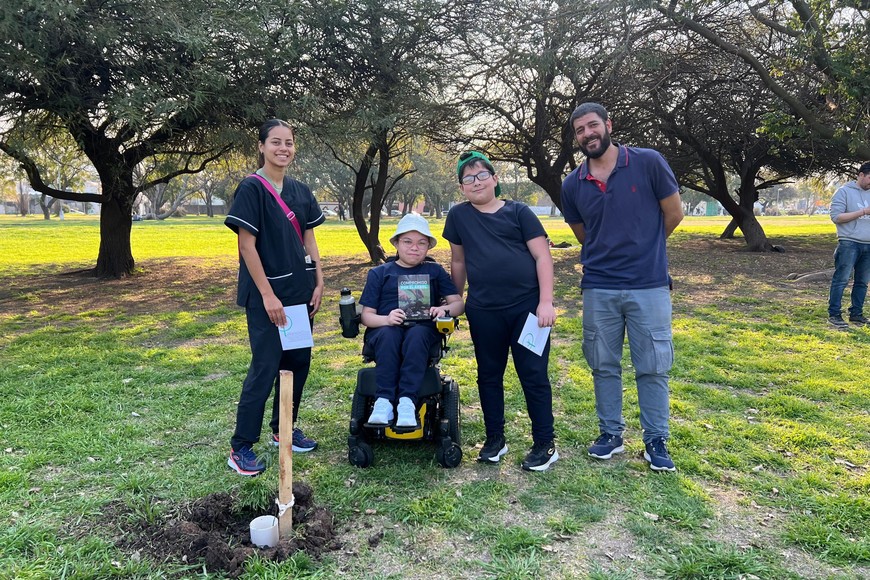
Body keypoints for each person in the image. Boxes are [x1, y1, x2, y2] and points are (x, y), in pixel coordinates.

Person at [560, 102, 683, 472]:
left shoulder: (648, 162)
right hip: (599, 287)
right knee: (603, 363)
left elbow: (673, 213)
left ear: (608, 125)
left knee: (653, 365)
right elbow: (585, 235)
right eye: (580, 130)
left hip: (649, 286)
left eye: (593, 126)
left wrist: (647, 246)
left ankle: (655, 439)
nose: (587, 134)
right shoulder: (572, 184)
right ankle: (610, 434)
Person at [443, 151, 559, 472]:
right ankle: (495, 438)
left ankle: (544, 443)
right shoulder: (458, 217)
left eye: (482, 175)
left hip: (528, 311)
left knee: (533, 376)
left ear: (495, 179)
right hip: (484, 311)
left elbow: (542, 258)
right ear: (462, 187)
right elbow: (459, 262)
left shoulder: (520, 213)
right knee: (489, 376)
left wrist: (545, 302)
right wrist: (455, 299)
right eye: (468, 178)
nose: (476, 182)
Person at [224, 119, 326, 476]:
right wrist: (267, 296)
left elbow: (309, 237)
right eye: (276, 142)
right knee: (266, 367)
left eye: (289, 143)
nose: (284, 148)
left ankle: (283, 428)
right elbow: (246, 246)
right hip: (269, 298)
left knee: (297, 363)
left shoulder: (300, 190)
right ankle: (241, 447)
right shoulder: (251, 189)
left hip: (300, 294)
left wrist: (318, 276)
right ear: (262, 146)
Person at [359, 214, 464, 427]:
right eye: (407, 241)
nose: (414, 248)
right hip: (385, 329)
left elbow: (458, 304)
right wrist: (387, 319)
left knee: (416, 334)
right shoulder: (379, 273)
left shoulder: (434, 271)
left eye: (421, 243)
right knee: (390, 334)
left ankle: (407, 401)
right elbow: (366, 316)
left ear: (428, 247)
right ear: (396, 243)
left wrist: (443, 308)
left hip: (423, 329)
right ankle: (384, 401)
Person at [827, 161, 870, 329]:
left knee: (862, 282)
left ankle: (856, 314)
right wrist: (864, 212)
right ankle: (834, 314)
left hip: (869, 244)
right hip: (849, 243)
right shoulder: (844, 192)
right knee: (841, 280)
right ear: (860, 175)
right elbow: (836, 217)